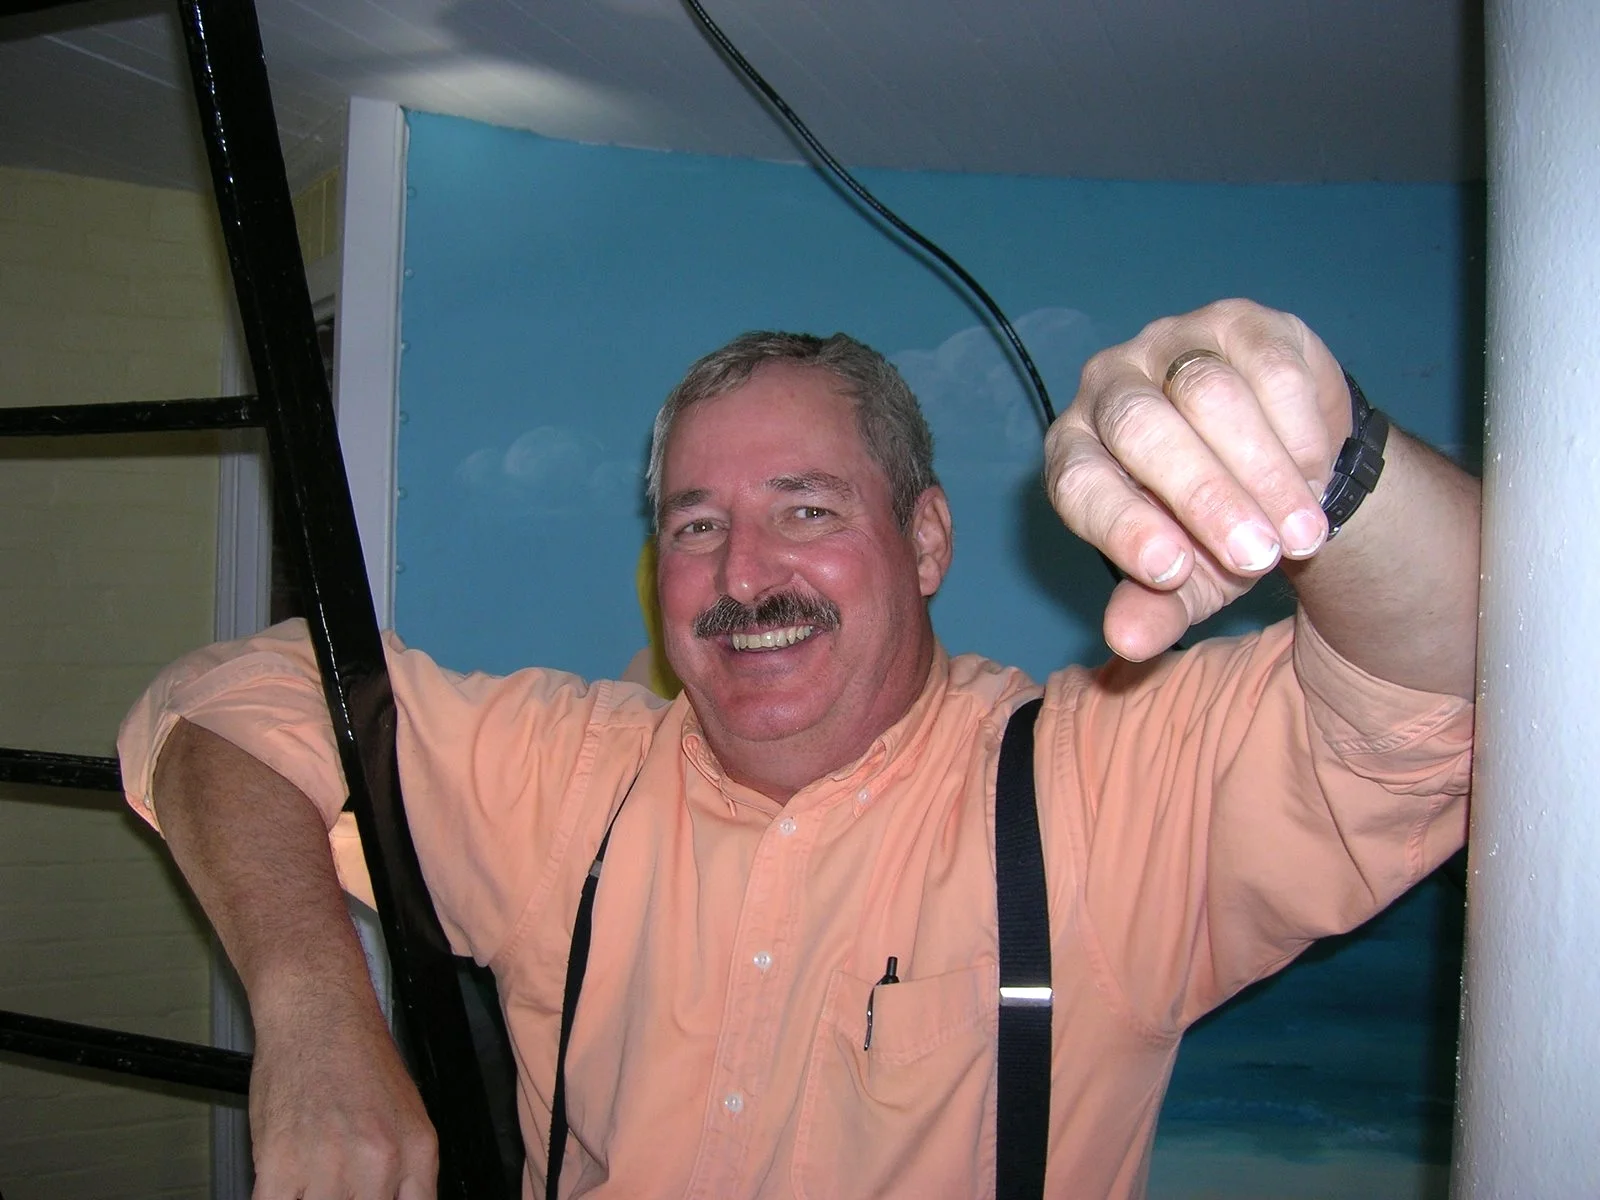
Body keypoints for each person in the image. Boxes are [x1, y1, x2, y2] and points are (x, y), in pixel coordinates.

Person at [118, 299, 1479, 1198]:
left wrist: (1333, 467)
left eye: (807, 509)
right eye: (696, 523)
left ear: (928, 541)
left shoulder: (1097, 789)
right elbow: (226, 702)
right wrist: (314, 1017)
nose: (742, 575)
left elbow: (1461, 689)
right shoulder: (568, 780)